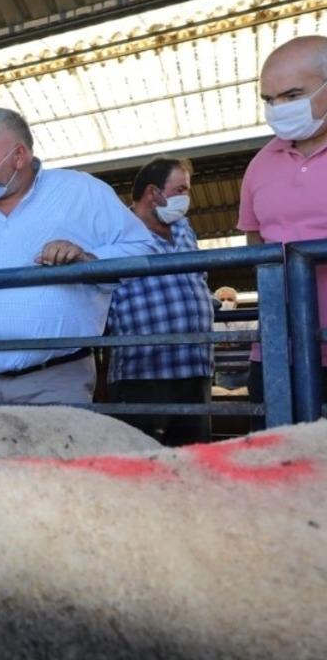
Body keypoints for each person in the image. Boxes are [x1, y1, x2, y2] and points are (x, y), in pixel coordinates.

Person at [0, 108, 154, 405]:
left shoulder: (80, 192)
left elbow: (143, 249)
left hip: (56, 381)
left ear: (19, 156)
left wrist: (86, 258)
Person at [237, 35, 327, 413]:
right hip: (278, 353)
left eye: (292, 96)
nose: (279, 109)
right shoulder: (259, 165)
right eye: (269, 100)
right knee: (278, 464)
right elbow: (256, 247)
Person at [105, 157, 213, 445]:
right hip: (144, 374)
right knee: (145, 461)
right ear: (154, 193)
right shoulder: (113, 231)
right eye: (181, 190)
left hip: (195, 367)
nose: (186, 198)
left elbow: (197, 279)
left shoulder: (183, 228)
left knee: (196, 461)